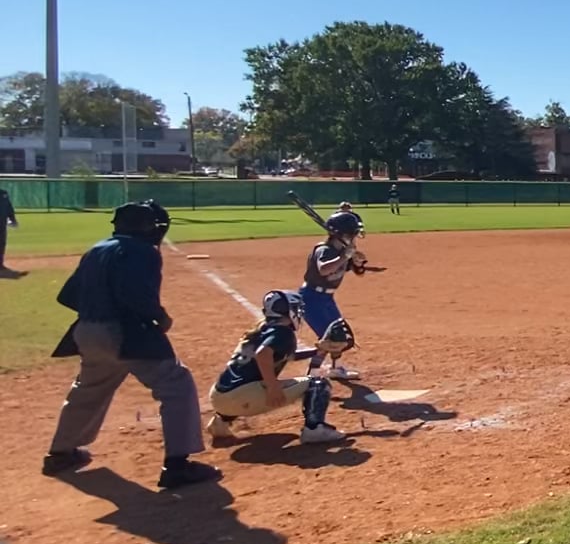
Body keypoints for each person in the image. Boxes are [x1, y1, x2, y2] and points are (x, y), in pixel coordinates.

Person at [41, 201, 219, 488]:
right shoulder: (142, 251)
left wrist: (98, 310)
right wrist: (160, 317)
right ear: (146, 227)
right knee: (177, 384)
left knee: (89, 388)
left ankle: (60, 454)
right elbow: (137, 296)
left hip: (86, 331)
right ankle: (177, 466)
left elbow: (68, 296)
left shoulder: (97, 249)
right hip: (123, 332)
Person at [206, 290, 344, 444]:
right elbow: (262, 354)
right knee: (318, 383)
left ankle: (220, 423)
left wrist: (316, 351)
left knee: (244, 379)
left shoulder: (262, 329)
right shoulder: (283, 333)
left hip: (219, 398)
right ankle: (314, 429)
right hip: (242, 398)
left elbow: (282, 355)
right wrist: (272, 387)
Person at [299, 211, 368, 381]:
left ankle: (336, 369)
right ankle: (313, 374)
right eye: (352, 234)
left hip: (326, 298)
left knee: (339, 334)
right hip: (311, 298)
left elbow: (358, 272)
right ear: (343, 234)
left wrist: (357, 262)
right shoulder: (324, 250)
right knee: (329, 338)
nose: (354, 237)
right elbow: (324, 269)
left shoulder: (342, 251)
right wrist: (345, 256)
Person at [0, 187, 17, 273]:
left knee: (2, 243)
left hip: (2, 222)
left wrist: (12, 219)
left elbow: (9, 207)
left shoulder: (3, 193)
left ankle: (0, 264)